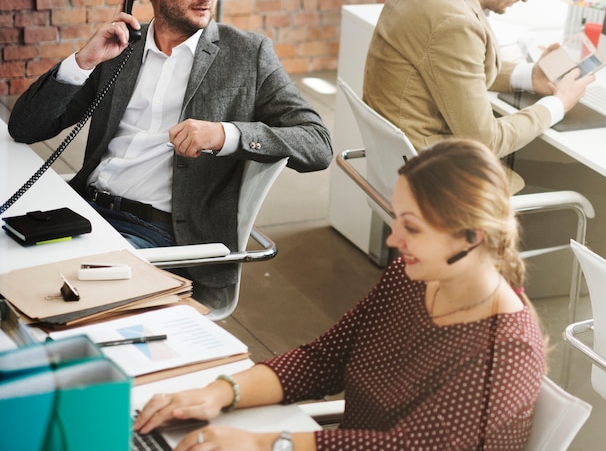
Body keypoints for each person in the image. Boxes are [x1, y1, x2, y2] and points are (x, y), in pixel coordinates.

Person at [134, 138, 545, 450]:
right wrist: (216, 393)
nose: (394, 239)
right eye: (396, 219)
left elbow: (406, 447)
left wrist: (264, 443)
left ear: (471, 238)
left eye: (413, 228)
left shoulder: (509, 351)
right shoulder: (411, 277)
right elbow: (323, 360)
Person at [8, 0, 333, 292]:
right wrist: (83, 61)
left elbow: (317, 144)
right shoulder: (121, 49)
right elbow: (25, 127)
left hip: (159, 233)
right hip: (84, 212)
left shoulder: (246, 54)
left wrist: (226, 135)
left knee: (45, 292)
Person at [363, 0, 595, 193]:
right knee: (592, 187)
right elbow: (485, 141)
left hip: (404, 157)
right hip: (436, 177)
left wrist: (530, 75)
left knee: (558, 169)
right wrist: (559, 104)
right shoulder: (455, 22)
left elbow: (455, 66)